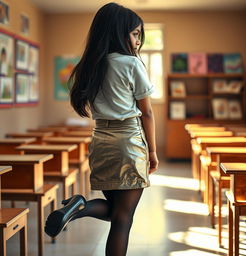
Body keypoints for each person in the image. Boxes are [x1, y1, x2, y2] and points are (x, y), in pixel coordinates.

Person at [45, 2, 159, 256]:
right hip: (128, 141)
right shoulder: (131, 64)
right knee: (123, 219)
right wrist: (152, 151)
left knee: (116, 211)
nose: (138, 40)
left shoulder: (90, 65)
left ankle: (79, 207)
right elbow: (147, 112)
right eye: (135, 33)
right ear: (118, 32)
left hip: (100, 142)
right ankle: (80, 207)